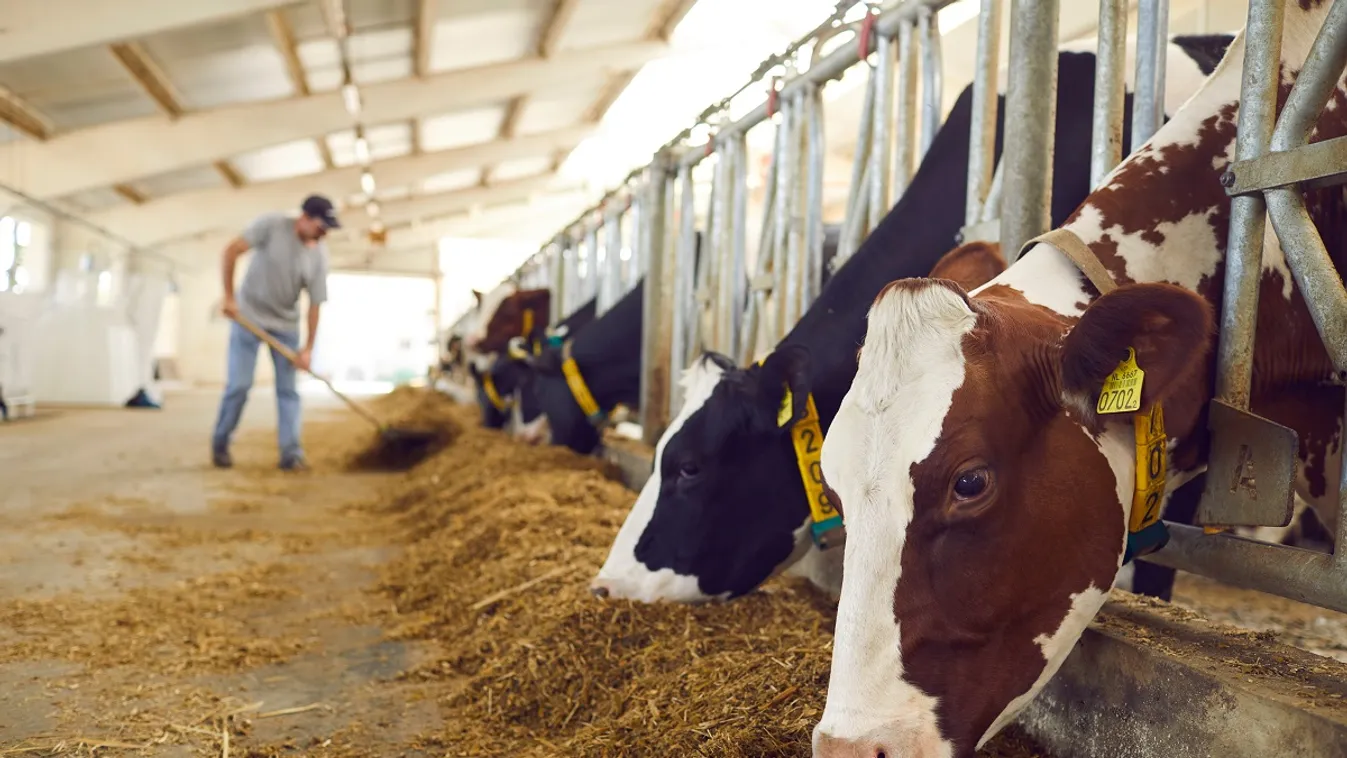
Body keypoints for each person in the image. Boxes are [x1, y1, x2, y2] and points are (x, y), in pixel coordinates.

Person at [210, 194, 337, 471]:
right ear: (303, 218)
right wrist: (229, 297)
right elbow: (231, 250)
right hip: (248, 317)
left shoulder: (319, 256)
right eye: (320, 227)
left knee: (288, 391)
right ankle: (220, 442)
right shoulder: (271, 226)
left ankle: (291, 454)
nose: (323, 234)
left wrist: (307, 349)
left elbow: (315, 304)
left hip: (285, 327)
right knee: (239, 386)